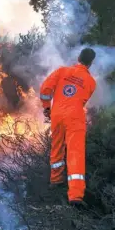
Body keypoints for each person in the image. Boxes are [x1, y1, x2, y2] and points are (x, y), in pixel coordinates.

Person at [39, 48, 97, 208]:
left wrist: (47, 107)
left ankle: (55, 181)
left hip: (57, 114)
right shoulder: (91, 82)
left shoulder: (62, 71)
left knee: (56, 147)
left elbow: (45, 90)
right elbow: (83, 100)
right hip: (75, 117)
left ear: (78, 58)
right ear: (91, 63)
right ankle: (75, 196)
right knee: (75, 152)